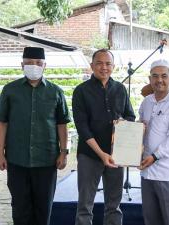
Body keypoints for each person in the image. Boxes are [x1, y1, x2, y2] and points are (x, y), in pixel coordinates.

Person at [0, 47, 71, 225]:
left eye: (38, 63)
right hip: (16, 159)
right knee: (20, 208)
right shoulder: (10, 90)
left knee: (43, 208)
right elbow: (2, 123)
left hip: (47, 160)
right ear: (22, 65)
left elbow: (62, 124)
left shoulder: (56, 92)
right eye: (29, 63)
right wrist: (0, 154)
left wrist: (63, 152)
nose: (34, 66)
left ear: (45, 65)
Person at [72, 49, 135, 225]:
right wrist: (101, 154)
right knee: (85, 206)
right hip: (90, 155)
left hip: (116, 155)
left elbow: (130, 116)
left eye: (108, 64)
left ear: (113, 66)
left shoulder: (120, 89)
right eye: (99, 63)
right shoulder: (81, 91)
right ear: (92, 66)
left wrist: (123, 123)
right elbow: (82, 128)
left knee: (114, 205)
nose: (104, 67)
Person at [138, 59, 169, 225]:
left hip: (168, 173)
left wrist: (154, 156)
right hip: (146, 172)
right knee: (151, 220)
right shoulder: (146, 102)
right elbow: (141, 132)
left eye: (164, 76)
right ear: (150, 79)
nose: (159, 80)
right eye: (155, 76)